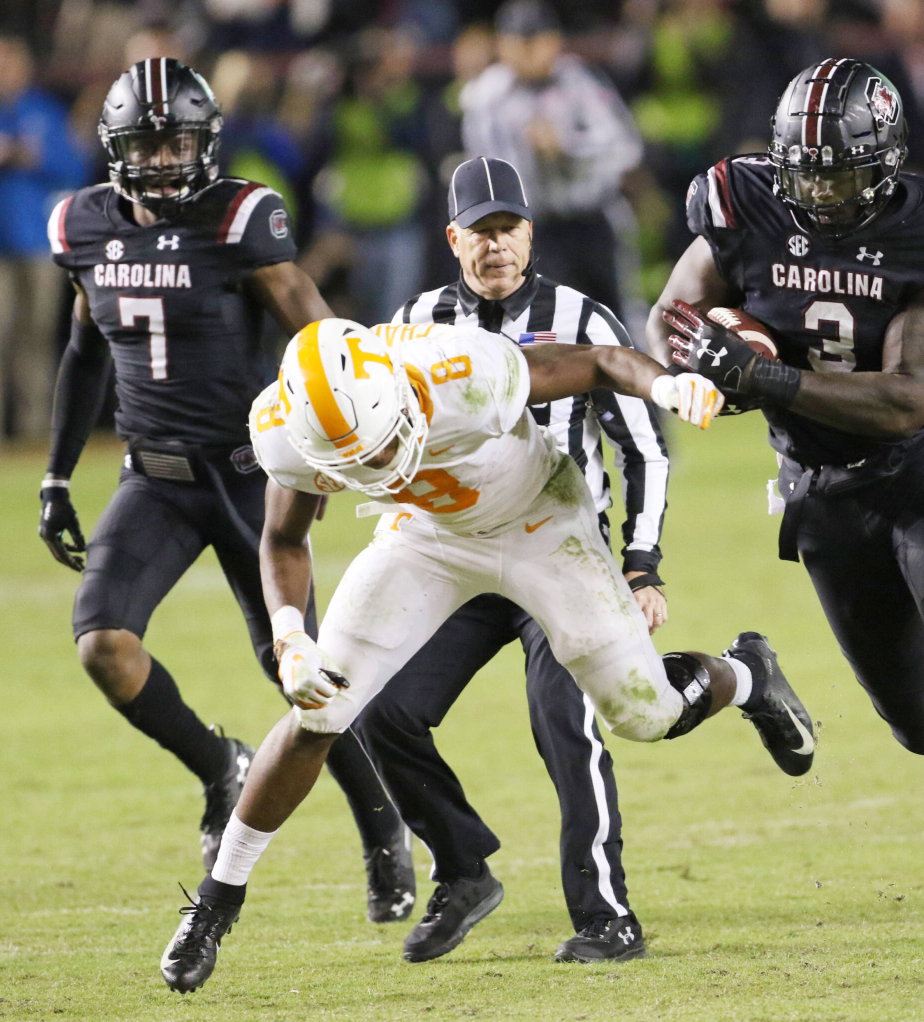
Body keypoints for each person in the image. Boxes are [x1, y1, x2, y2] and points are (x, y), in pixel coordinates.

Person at [158, 316, 817, 994]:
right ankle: (214, 904)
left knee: (643, 715)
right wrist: (291, 635)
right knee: (320, 709)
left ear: (398, 396)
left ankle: (745, 675)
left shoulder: (462, 371)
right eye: (355, 463)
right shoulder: (286, 428)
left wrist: (668, 387)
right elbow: (283, 540)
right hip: (425, 537)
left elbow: (599, 359)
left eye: (382, 448)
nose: (378, 466)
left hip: (540, 519)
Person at [651, 58, 924, 984]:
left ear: (885, 162)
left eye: (839, 172)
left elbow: (905, 396)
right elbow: (671, 315)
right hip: (820, 489)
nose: (817, 190)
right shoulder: (740, 200)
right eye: (803, 169)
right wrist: (703, 365)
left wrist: (763, 375)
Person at [37, 58, 413, 922]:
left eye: (179, 141)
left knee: (302, 674)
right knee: (103, 646)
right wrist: (58, 473)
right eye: (149, 143)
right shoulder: (83, 224)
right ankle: (219, 765)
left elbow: (322, 342)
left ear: (205, 142)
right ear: (117, 149)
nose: (166, 159)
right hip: (154, 478)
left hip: (252, 476)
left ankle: (383, 826)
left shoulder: (239, 218)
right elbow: (85, 348)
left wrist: (360, 443)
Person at [356, 157, 671, 964]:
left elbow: (643, 448)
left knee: (566, 722)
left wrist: (641, 562)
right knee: (378, 708)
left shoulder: (582, 317)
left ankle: (607, 917)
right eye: (479, 232)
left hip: (558, 552)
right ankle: (462, 870)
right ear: (452, 238)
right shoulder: (416, 320)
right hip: (457, 555)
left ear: (529, 233)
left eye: (508, 229)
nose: (495, 246)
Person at [459, 0, 642, 317]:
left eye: (536, 40)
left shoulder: (579, 81)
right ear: (501, 45)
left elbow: (626, 147)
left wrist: (567, 145)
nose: (529, 51)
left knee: (616, 318)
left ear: (554, 41)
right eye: (519, 42)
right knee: (549, 329)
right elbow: (483, 170)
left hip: (592, 220)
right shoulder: (487, 95)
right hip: (532, 230)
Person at [0, 33, 85, 446]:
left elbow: (76, 169)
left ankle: (34, 433)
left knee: (36, 340)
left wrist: (34, 157)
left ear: (24, 68)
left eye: (9, 62)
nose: (1, 72)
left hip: (36, 243)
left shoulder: (44, 112)